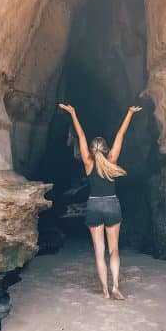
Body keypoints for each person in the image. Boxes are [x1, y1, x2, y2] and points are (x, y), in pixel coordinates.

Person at [58, 102, 141, 299]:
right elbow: (121, 136)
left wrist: (73, 113)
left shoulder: (88, 163)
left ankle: (104, 290)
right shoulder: (112, 160)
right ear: (106, 149)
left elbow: (81, 136)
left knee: (99, 251)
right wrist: (129, 113)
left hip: (94, 205)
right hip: (112, 205)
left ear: (93, 150)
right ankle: (115, 287)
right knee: (114, 250)